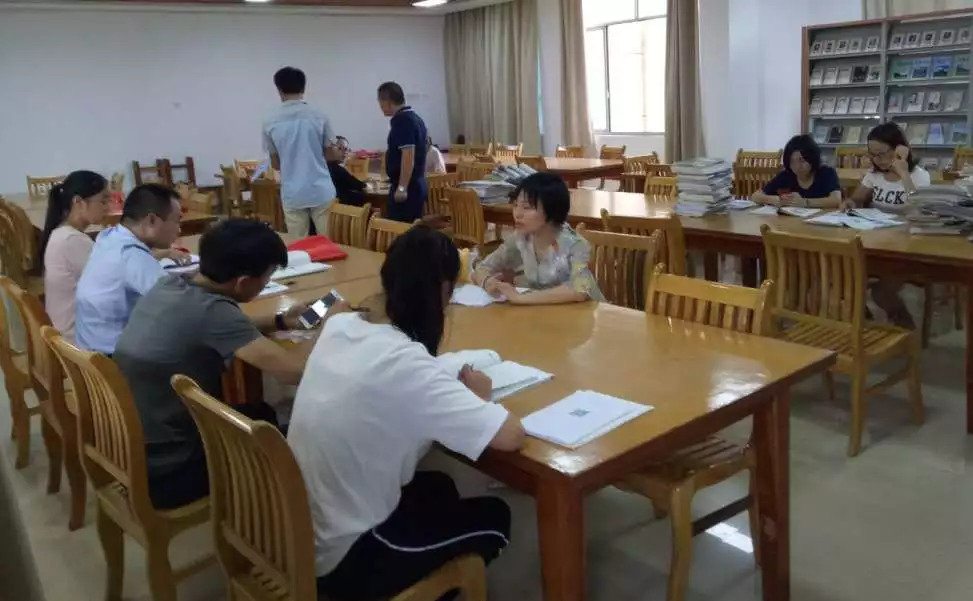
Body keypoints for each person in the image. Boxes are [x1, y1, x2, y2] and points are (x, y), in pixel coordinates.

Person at [288, 225, 525, 600]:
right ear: (443, 292)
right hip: (346, 558)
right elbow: (511, 436)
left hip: (302, 530)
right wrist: (481, 397)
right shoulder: (408, 364)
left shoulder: (340, 326)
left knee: (440, 486)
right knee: (496, 515)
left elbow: (340, 320)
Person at [114, 219, 329, 510]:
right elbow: (297, 371)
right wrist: (331, 323)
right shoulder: (214, 313)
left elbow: (223, 328)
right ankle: (271, 515)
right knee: (284, 436)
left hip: (135, 446)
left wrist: (281, 320)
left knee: (262, 412)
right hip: (171, 471)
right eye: (267, 276)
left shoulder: (173, 284)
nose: (266, 282)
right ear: (243, 282)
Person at [75, 184, 186, 354]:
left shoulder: (109, 237)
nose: (179, 229)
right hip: (113, 358)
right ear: (151, 221)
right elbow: (179, 304)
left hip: (90, 348)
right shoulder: (132, 255)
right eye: (177, 220)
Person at [844, 122, 931, 328]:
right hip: (875, 242)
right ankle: (863, 323)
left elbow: (920, 210)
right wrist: (850, 203)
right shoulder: (874, 175)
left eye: (882, 154)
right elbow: (856, 198)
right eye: (872, 155)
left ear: (900, 149)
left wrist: (904, 174)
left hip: (906, 248)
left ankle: (904, 325)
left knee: (881, 292)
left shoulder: (919, 176)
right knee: (844, 278)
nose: (877, 160)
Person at [472, 173, 603, 304]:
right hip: (546, 312)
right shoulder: (520, 238)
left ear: (551, 209)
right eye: (515, 205)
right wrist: (487, 282)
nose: (517, 214)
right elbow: (482, 267)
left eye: (527, 207)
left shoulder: (575, 245)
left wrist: (520, 298)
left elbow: (580, 290)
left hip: (588, 312)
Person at [263, 66, 337, 237]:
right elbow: (330, 154)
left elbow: (276, 164)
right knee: (329, 243)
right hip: (320, 189)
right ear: (303, 88)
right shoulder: (319, 115)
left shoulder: (269, 120)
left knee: (298, 245)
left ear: (279, 90)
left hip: (293, 191)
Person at [40, 171, 110, 342]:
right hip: (75, 339)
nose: (107, 207)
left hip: (63, 332)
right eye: (103, 201)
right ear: (78, 202)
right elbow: (113, 279)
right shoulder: (72, 240)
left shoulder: (61, 232)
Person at [378, 81, 429, 222]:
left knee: (401, 228)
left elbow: (408, 155)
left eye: (381, 103)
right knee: (412, 227)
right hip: (417, 183)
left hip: (409, 187)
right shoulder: (415, 118)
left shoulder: (403, 121)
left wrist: (402, 187)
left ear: (387, 102)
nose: (381, 108)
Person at [751, 134, 842, 208]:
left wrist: (805, 202)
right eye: (792, 161)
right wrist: (777, 200)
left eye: (801, 160)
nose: (797, 166)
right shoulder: (786, 175)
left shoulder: (826, 173)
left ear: (812, 158)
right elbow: (755, 196)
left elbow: (836, 200)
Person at [327, 138, 367, 207]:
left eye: (347, 150)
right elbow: (357, 185)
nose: (345, 153)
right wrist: (365, 185)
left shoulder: (324, 166)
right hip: (340, 207)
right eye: (342, 149)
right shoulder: (337, 169)